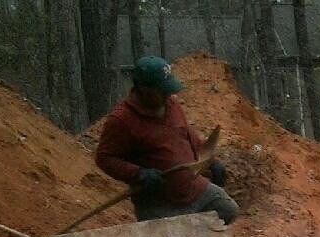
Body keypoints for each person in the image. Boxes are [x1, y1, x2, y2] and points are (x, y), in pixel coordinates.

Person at [95, 56, 239, 225]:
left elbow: (186, 135)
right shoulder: (121, 120)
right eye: (161, 91)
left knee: (228, 210)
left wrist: (209, 162)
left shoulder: (171, 104)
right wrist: (138, 173)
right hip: (159, 203)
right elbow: (105, 158)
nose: (167, 96)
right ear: (143, 89)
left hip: (193, 189)